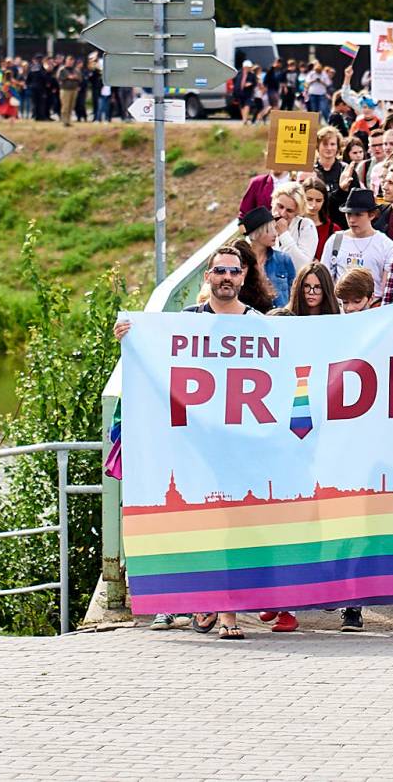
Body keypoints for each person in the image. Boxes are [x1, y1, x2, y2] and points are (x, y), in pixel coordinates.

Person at [114, 244, 261, 641]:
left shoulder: (260, 324)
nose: (226, 278)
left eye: (233, 271)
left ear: (244, 277)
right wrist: (131, 338)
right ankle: (207, 600)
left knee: (233, 526)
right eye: (219, 272)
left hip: (240, 444)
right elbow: (156, 363)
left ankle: (228, 612)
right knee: (202, 524)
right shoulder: (185, 323)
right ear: (207, 277)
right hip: (195, 444)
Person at [320, 188, 393, 302]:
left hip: (372, 308)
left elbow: (387, 287)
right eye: (348, 214)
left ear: (371, 215)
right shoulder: (335, 240)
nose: (352, 220)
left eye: (358, 214)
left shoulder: (386, 245)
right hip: (340, 307)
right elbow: (325, 278)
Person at [240, 208, 296, 311]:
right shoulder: (240, 261)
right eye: (269, 230)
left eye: (275, 229)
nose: (275, 234)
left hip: (281, 319)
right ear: (257, 233)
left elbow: (294, 294)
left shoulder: (283, 259)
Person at [271, 185, 318, 273]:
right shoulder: (262, 224)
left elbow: (302, 266)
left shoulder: (306, 226)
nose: (282, 213)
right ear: (273, 202)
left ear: (297, 212)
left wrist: (284, 234)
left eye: (289, 210)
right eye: (280, 206)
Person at [227, 239, 277, 314]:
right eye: (234, 268)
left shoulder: (260, 297)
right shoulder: (218, 292)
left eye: (243, 267)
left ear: (250, 267)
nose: (238, 272)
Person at [58, 59, 83, 126]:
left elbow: (80, 79)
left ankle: (68, 121)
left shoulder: (76, 70)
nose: (70, 63)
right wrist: (68, 77)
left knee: (71, 106)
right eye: (69, 62)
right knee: (65, 106)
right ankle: (64, 121)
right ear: (66, 62)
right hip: (65, 90)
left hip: (74, 90)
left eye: (71, 62)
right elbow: (59, 78)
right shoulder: (62, 70)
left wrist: (75, 77)